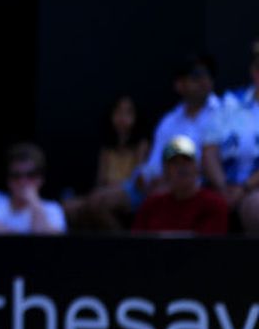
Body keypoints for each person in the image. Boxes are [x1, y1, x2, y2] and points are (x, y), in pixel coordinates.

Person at [82, 54, 220, 230]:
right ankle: (128, 249)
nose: (203, 80)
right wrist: (145, 176)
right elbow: (154, 163)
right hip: (162, 183)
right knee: (96, 201)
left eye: (207, 75)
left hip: (195, 185)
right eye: (195, 75)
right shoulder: (170, 120)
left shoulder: (225, 112)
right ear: (179, 84)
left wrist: (172, 180)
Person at [63, 94, 150, 231]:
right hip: (105, 191)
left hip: (130, 192)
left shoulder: (141, 145)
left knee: (96, 203)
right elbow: (101, 180)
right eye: (118, 112)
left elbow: (138, 179)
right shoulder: (107, 148)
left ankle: (123, 243)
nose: (122, 117)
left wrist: (112, 187)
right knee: (69, 207)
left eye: (128, 112)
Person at [201, 42, 259, 234]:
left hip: (253, 190)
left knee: (255, 208)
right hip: (224, 186)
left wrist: (245, 187)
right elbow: (209, 150)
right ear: (253, 71)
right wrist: (224, 187)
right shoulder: (229, 102)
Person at [133, 135, 229, 236]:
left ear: (197, 167)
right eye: (175, 162)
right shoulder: (151, 206)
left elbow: (212, 248)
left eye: (187, 161)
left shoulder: (214, 205)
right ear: (165, 170)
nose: (181, 168)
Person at [0, 142, 66, 234]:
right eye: (16, 176)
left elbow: (49, 242)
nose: (23, 182)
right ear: (8, 179)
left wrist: (34, 204)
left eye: (30, 175)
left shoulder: (53, 209)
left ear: (40, 179)